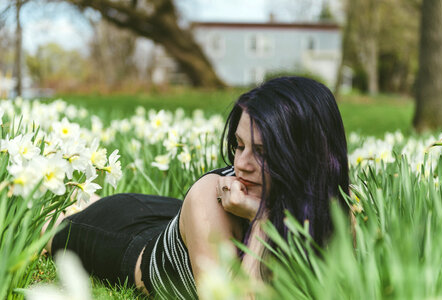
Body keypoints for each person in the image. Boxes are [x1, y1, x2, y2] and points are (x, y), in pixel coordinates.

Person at [46, 76, 349, 299]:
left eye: (263, 152)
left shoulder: (332, 208)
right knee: (53, 227)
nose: (242, 164)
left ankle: (86, 199)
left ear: (305, 156)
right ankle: (76, 205)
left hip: (175, 218)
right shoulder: (213, 196)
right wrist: (264, 219)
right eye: (239, 146)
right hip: (125, 237)